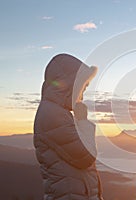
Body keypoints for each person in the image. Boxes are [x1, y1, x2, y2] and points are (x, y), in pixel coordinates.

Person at [33, 53, 104, 200]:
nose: (82, 97)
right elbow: (85, 156)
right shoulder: (52, 114)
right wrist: (83, 121)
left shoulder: (57, 112)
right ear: (71, 85)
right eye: (82, 89)